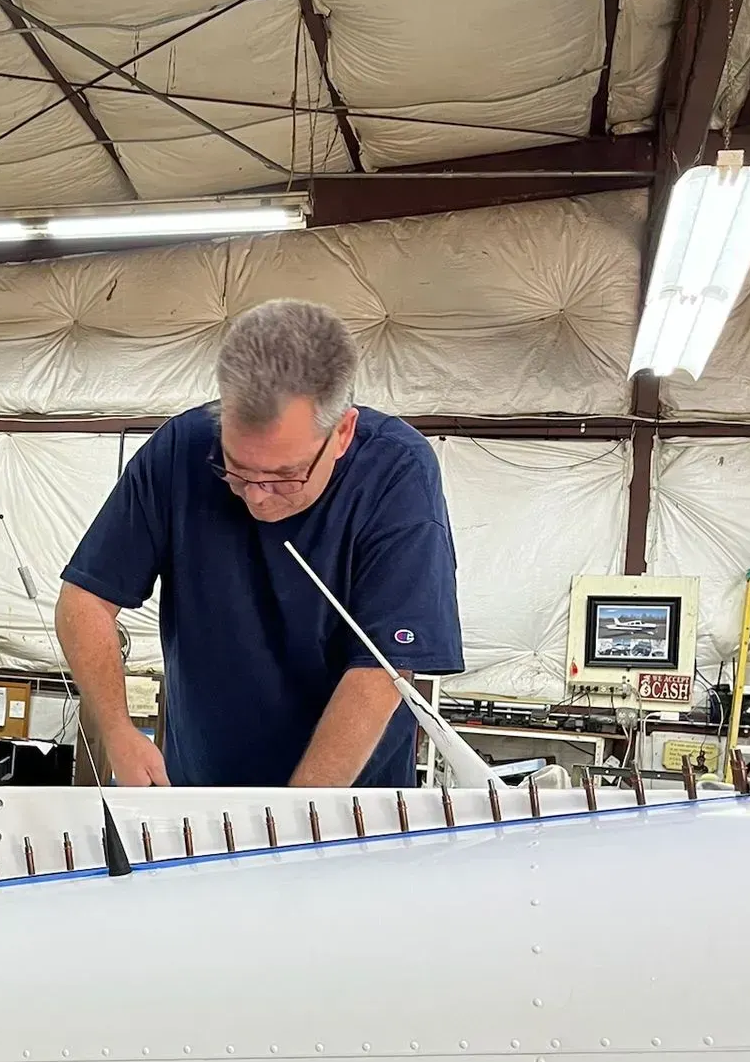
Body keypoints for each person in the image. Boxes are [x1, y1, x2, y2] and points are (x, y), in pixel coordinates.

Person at [56, 299, 462, 789]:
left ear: (343, 433)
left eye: (285, 476)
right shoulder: (177, 451)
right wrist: (118, 733)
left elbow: (380, 670)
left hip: (344, 811)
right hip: (199, 795)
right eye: (236, 469)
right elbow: (84, 602)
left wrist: (292, 823)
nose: (257, 498)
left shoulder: (399, 475)